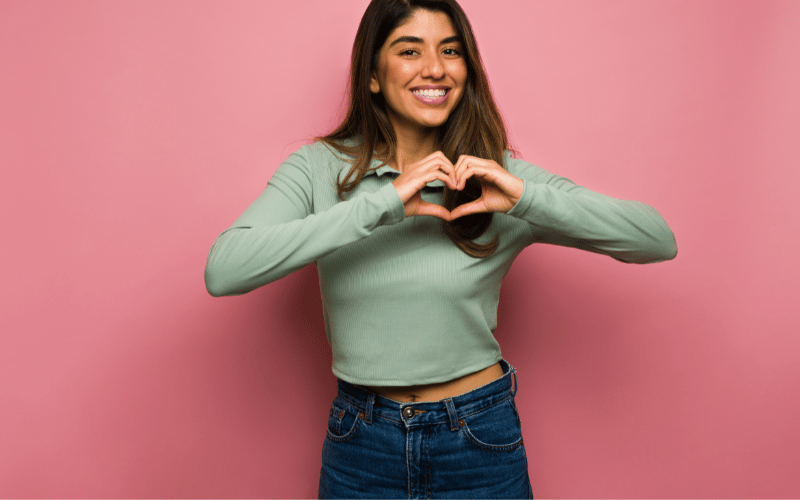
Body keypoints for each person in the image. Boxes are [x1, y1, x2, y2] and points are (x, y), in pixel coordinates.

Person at [204, 0, 677, 497]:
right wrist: (382, 205)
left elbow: (655, 239)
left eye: (450, 50)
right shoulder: (320, 169)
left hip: (477, 438)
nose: (435, 68)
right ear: (371, 75)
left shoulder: (497, 178)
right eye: (410, 50)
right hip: (360, 442)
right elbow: (225, 269)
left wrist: (523, 197)